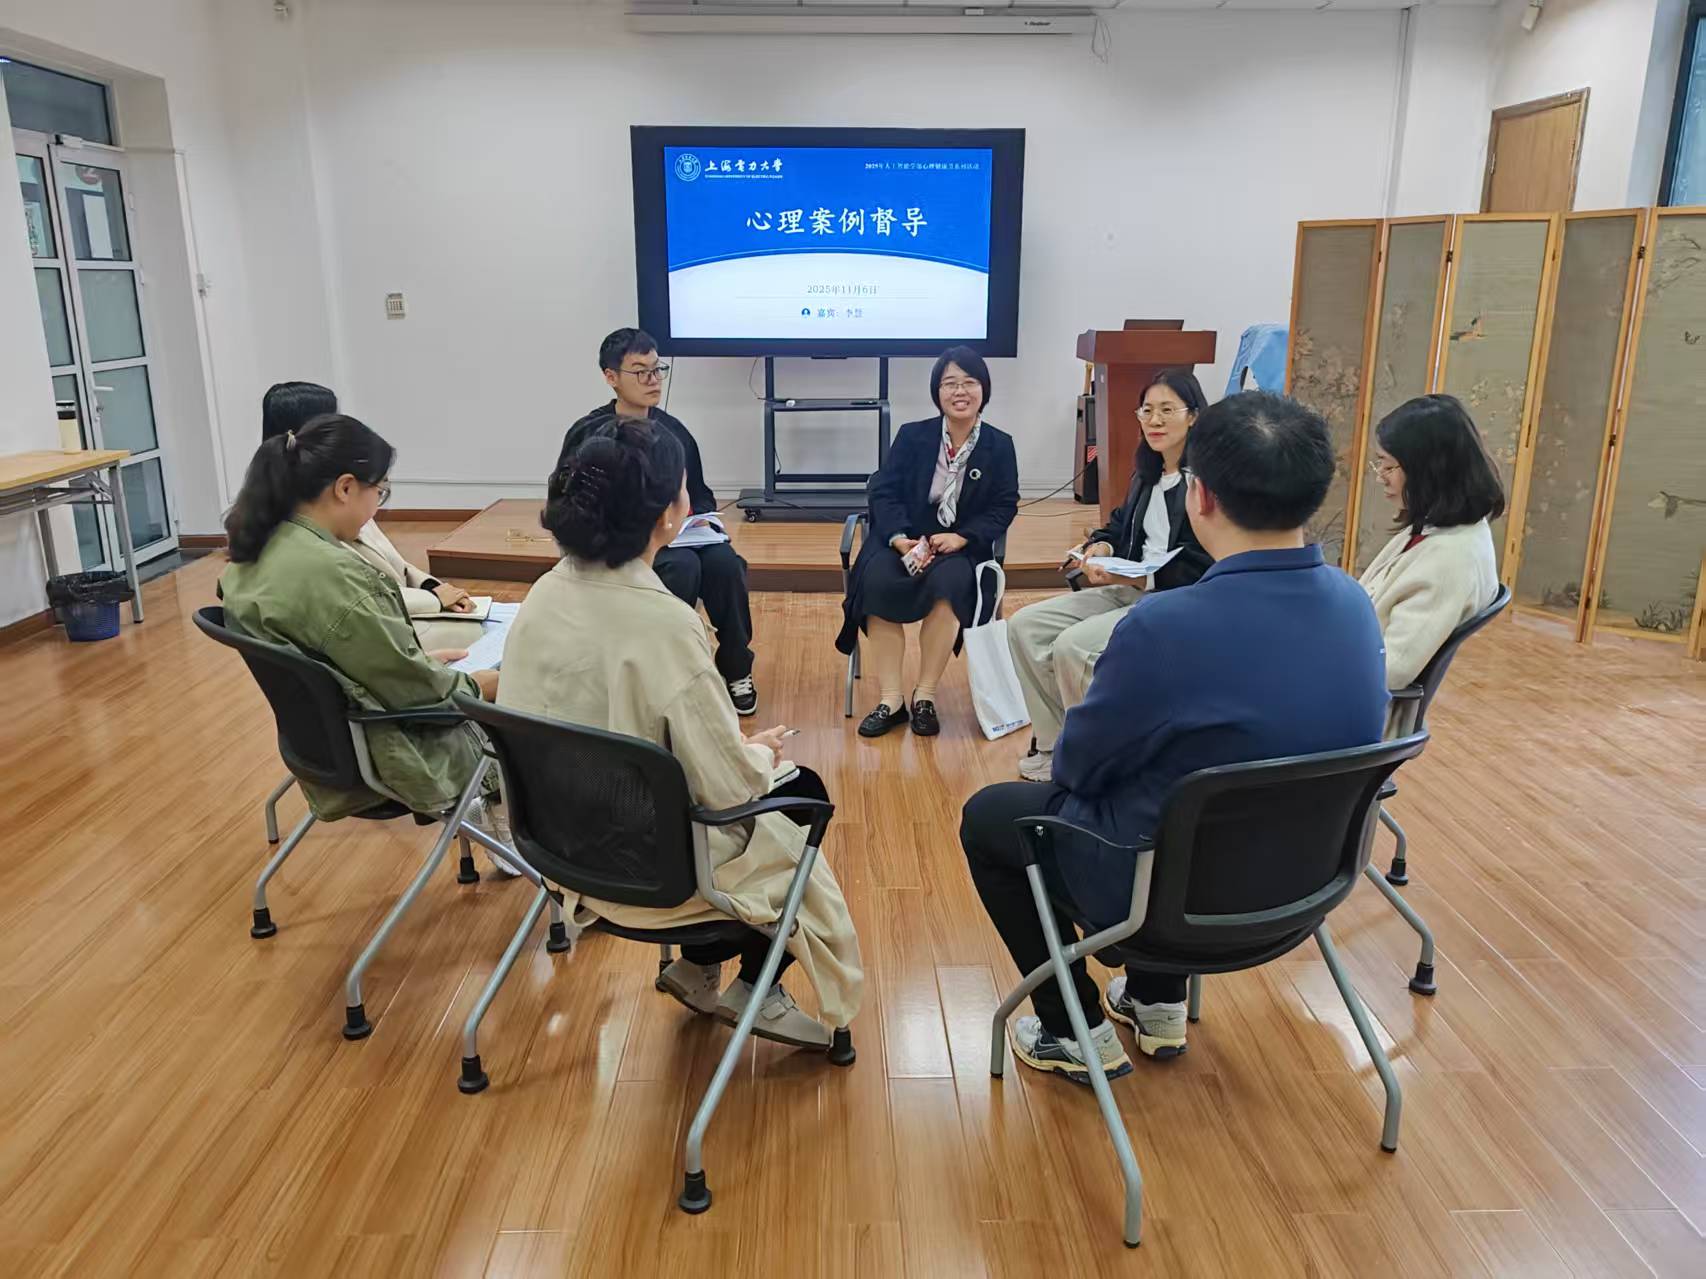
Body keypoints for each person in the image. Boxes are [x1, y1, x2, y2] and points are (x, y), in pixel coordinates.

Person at [959, 392, 1389, 1081]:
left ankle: (1073, 1027)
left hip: (1167, 906)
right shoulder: (1355, 605)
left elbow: (1077, 767)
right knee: (1188, 785)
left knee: (992, 816)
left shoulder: (1164, 627)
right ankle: (1157, 1001)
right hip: (1307, 891)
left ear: (1201, 495)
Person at [502, 417, 863, 1048]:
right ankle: (756, 989)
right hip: (652, 872)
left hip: (556, 849)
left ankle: (697, 972)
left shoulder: (543, 593)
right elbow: (726, 789)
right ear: (671, 515)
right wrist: (755, 753)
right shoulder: (665, 624)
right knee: (800, 794)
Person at [220, 415, 506, 840]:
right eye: (380, 492)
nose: (379, 506)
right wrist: (478, 686)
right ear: (345, 487)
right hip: (387, 752)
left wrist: (416, 663)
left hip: (322, 748)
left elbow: (334, 661)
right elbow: (423, 695)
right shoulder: (336, 574)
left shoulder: (255, 552)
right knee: (530, 701)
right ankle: (518, 833)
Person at [1008, 369, 1213, 781]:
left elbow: (1201, 562)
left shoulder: (1206, 483)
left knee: (1073, 646)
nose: (1154, 421)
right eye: (1147, 410)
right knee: (1024, 625)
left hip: (1175, 600)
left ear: (1193, 416)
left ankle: (1096, 759)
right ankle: (1053, 744)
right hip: (1129, 588)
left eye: (1167, 410)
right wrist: (1099, 547)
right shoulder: (1147, 474)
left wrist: (1137, 579)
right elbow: (1118, 526)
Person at [559, 329, 759, 716]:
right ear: (610, 376)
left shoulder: (674, 431)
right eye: (640, 372)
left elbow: (699, 493)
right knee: (682, 568)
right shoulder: (589, 433)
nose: (653, 380)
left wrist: (702, 520)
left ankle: (736, 666)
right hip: (621, 542)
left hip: (676, 534)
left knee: (725, 565)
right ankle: (667, 671)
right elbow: (572, 501)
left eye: (657, 369)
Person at [836, 347, 1020, 738]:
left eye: (969, 382)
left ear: (984, 390)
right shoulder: (913, 436)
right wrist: (899, 537)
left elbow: (1004, 505)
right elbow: (884, 491)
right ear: (937, 392)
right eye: (950, 383)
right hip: (903, 539)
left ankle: (925, 696)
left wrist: (963, 537)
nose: (960, 391)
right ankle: (891, 700)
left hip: (958, 544)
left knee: (950, 585)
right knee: (877, 580)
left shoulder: (1000, 445)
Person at [261, 382, 483, 654]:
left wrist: (432, 586)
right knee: (481, 635)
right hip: (382, 624)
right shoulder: (311, 513)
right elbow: (358, 596)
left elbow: (391, 562)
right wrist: (434, 599)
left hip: (401, 610)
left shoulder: (341, 493)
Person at [1359, 394, 1504, 690]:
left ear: (1428, 471)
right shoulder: (1438, 529)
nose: (1380, 477)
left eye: (1388, 467)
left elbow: (1391, 671)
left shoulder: (1451, 560)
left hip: (1358, 705)